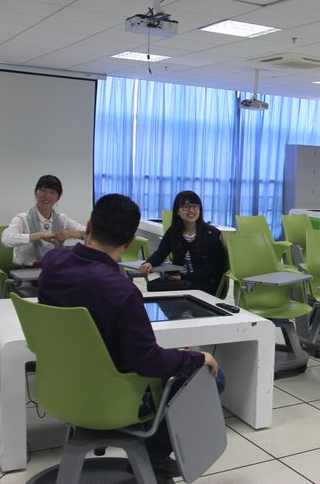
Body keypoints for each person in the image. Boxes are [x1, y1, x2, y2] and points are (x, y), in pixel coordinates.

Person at [38, 193, 222, 479]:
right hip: (112, 394)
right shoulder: (122, 291)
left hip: (58, 386)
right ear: (130, 241)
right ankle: (154, 456)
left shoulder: (53, 262)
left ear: (89, 225)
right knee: (212, 374)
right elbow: (147, 362)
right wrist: (196, 357)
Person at [140, 190, 227, 296]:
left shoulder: (211, 234)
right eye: (186, 207)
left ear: (200, 209)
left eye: (195, 206)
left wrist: (184, 277)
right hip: (181, 278)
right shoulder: (173, 231)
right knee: (152, 285)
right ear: (177, 211)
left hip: (205, 281)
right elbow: (161, 252)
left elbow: (210, 267)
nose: (191, 210)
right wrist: (149, 263)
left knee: (179, 286)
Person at [1, 174, 85, 267]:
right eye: (43, 190)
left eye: (52, 192)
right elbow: (7, 239)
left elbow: (91, 233)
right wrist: (40, 235)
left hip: (55, 268)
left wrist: (72, 234)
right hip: (26, 270)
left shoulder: (62, 219)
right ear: (36, 192)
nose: (46, 196)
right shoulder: (22, 218)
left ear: (58, 198)